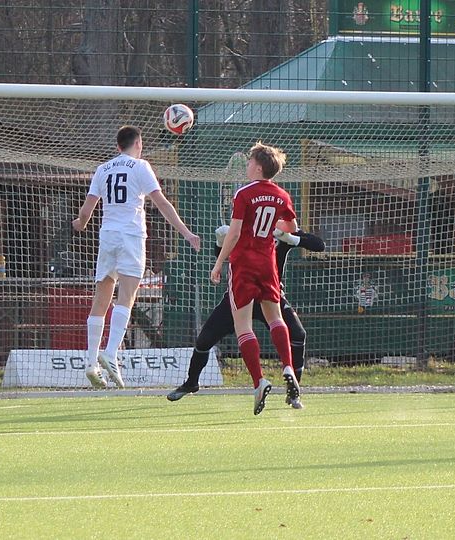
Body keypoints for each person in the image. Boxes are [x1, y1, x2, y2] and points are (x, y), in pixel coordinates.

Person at [72, 125, 201, 388]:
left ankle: (91, 362)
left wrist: (80, 224)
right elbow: (161, 202)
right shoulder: (141, 167)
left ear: (117, 146)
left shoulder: (102, 169)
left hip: (107, 236)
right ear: (139, 143)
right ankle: (111, 353)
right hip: (130, 236)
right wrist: (187, 233)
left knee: (101, 299)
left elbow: (86, 211)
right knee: (127, 297)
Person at [167, 222, 325, 408]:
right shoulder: (244, 229)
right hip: (240, 294)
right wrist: (220, 241)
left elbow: (318, 245)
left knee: (298, 334)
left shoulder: (281, 230)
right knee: (204, 340)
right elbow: (223, 254)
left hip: (270, 296)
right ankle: (191, 382)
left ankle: (293, 390)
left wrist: (290, 238)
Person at [210, 142, 300, 415]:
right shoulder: (282, 194)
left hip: (244, 264)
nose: (247, 165)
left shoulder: (244, 193)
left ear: (259, 167)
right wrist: (274, 226)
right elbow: (291, 227)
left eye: (250, 162)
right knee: (276, 318)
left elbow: (234, 233)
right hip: (267, 262)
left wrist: (219, 263)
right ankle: (288, 366)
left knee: (243, 326)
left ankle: (259, 381)